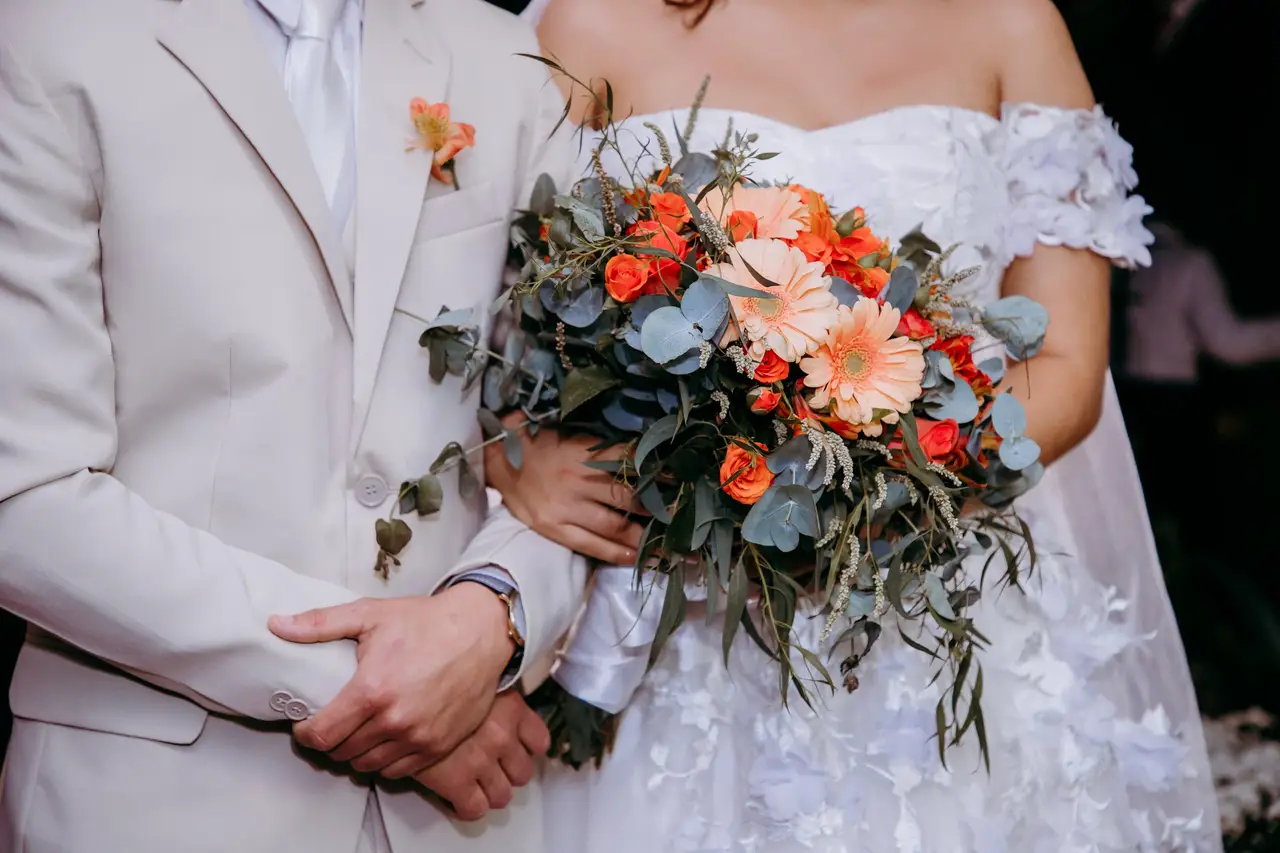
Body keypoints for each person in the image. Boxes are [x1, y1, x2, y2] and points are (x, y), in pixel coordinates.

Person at [485, 0, 1225, 850]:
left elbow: (1063, 367)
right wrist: (516, 451)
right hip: (664, 610)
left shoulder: (1012, 25)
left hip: (937, 611)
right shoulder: (589, 23)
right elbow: (494, 310)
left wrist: (866, 494)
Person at [0, 0, 584, 850]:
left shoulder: (505, 56)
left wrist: (495, 613)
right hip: (150, 800)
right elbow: (23, 494)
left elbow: (585, 436)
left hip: (465, 819)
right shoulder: (48, 33)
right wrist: (397, 683)